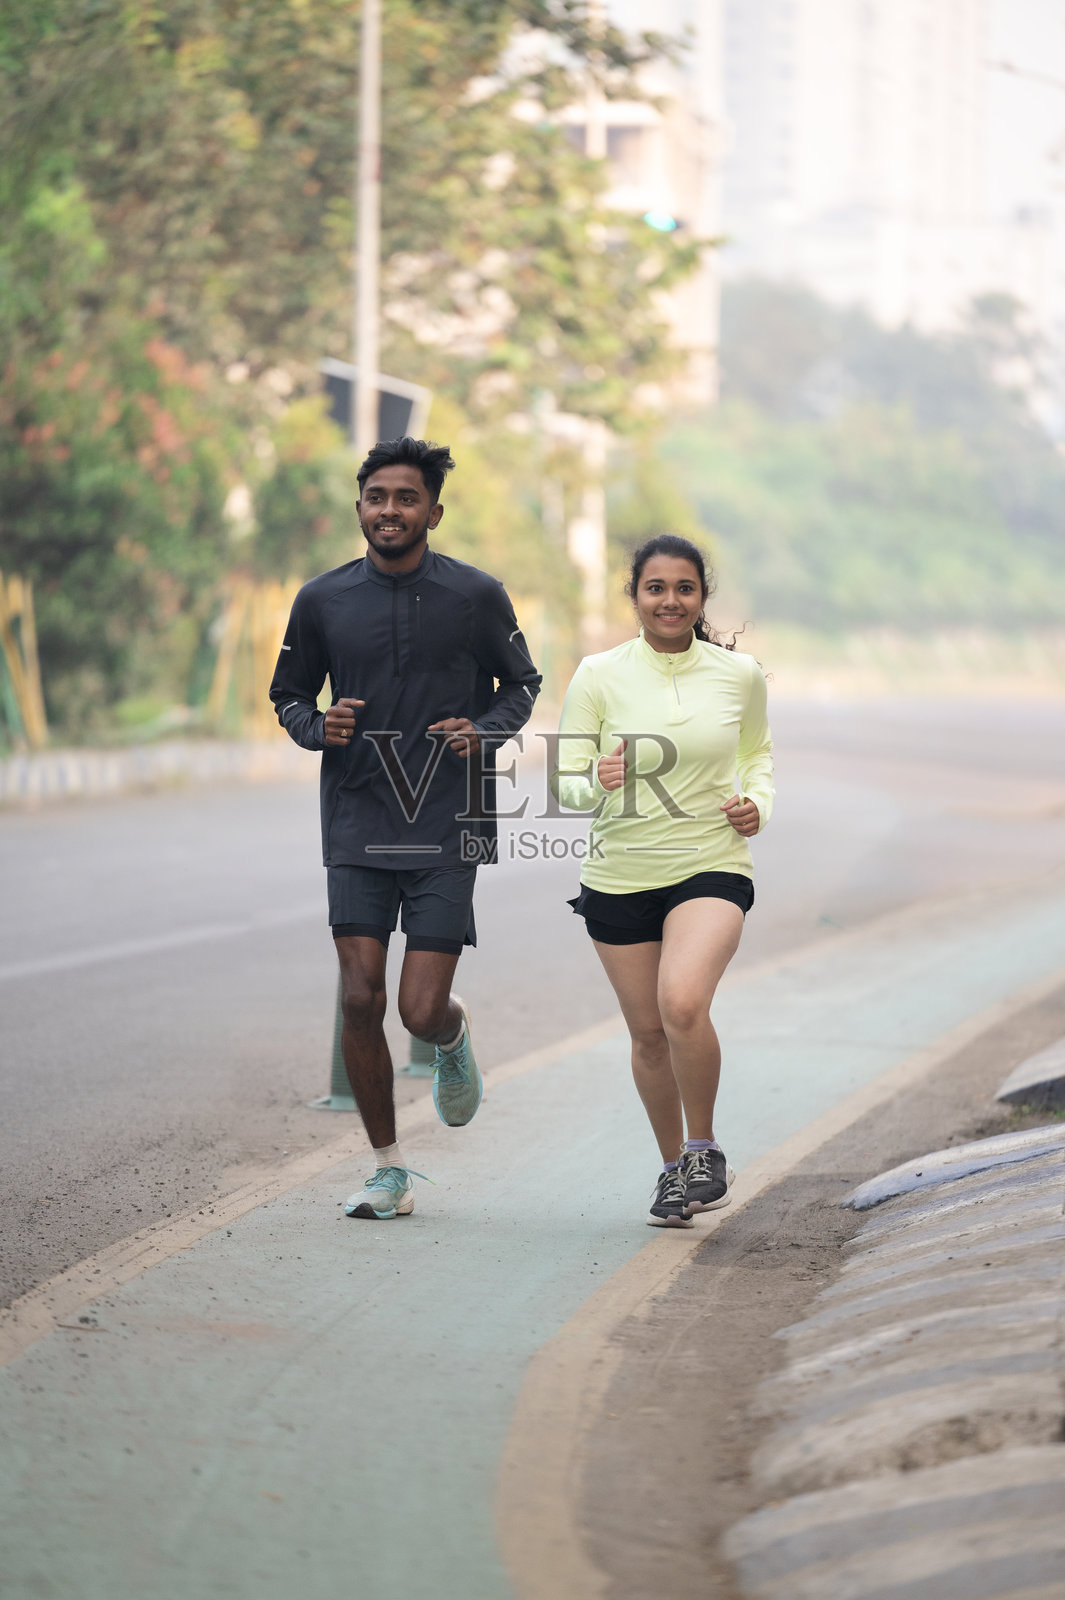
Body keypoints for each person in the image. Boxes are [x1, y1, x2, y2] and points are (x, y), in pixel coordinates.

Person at [270, 436, 540, 1220]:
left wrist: (485, 732)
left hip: (449, 817)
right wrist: (321, 728)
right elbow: (288, 695)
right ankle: (388, 1170)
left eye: (405, 498)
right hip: (357, 814)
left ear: (433, 510)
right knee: (360, 997)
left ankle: (451, 1038)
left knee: (418, 1009)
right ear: (360, 507)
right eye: (377, 497)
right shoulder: (321, 599)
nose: (390, 510)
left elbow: (521, 685)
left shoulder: (476, 595)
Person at [551, 534, 773, 1227]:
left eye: (683, 588)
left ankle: (704, 1149)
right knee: (647, 1035)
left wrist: (756, 805)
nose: (669, 600)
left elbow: (756, 755)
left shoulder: (739, 675)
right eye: (656, 588)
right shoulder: (597, 674)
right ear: (635, 596)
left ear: (701, 597)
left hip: (710, 861)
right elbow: (566, 780)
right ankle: (673, 1168)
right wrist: (595, 779)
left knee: (680, 1004)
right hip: (618, 874)